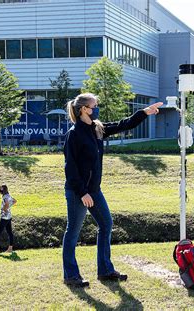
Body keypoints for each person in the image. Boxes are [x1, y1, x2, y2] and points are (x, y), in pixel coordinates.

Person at [62, 93, 162, 287]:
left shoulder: (97, 129)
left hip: (94, 190)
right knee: (73, 233)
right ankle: (71, 275)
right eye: (94, 106)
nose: (96, 108)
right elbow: (70, 169)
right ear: (83, 108)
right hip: (78, 192)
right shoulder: (74, 134)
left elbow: (122, 124)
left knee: (106, 224)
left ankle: (105, 270)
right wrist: (82, 193)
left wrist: (144, 113)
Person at [0, 185, 17, 254]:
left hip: (4, 217)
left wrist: (5, 209)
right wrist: (8, 208)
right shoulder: (8, 195)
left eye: (0, 189)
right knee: (10, 232)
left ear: (3, 190)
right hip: (9, 216)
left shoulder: (5, 197)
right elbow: (14, 201)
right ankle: (10, 249)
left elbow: (7, 204)